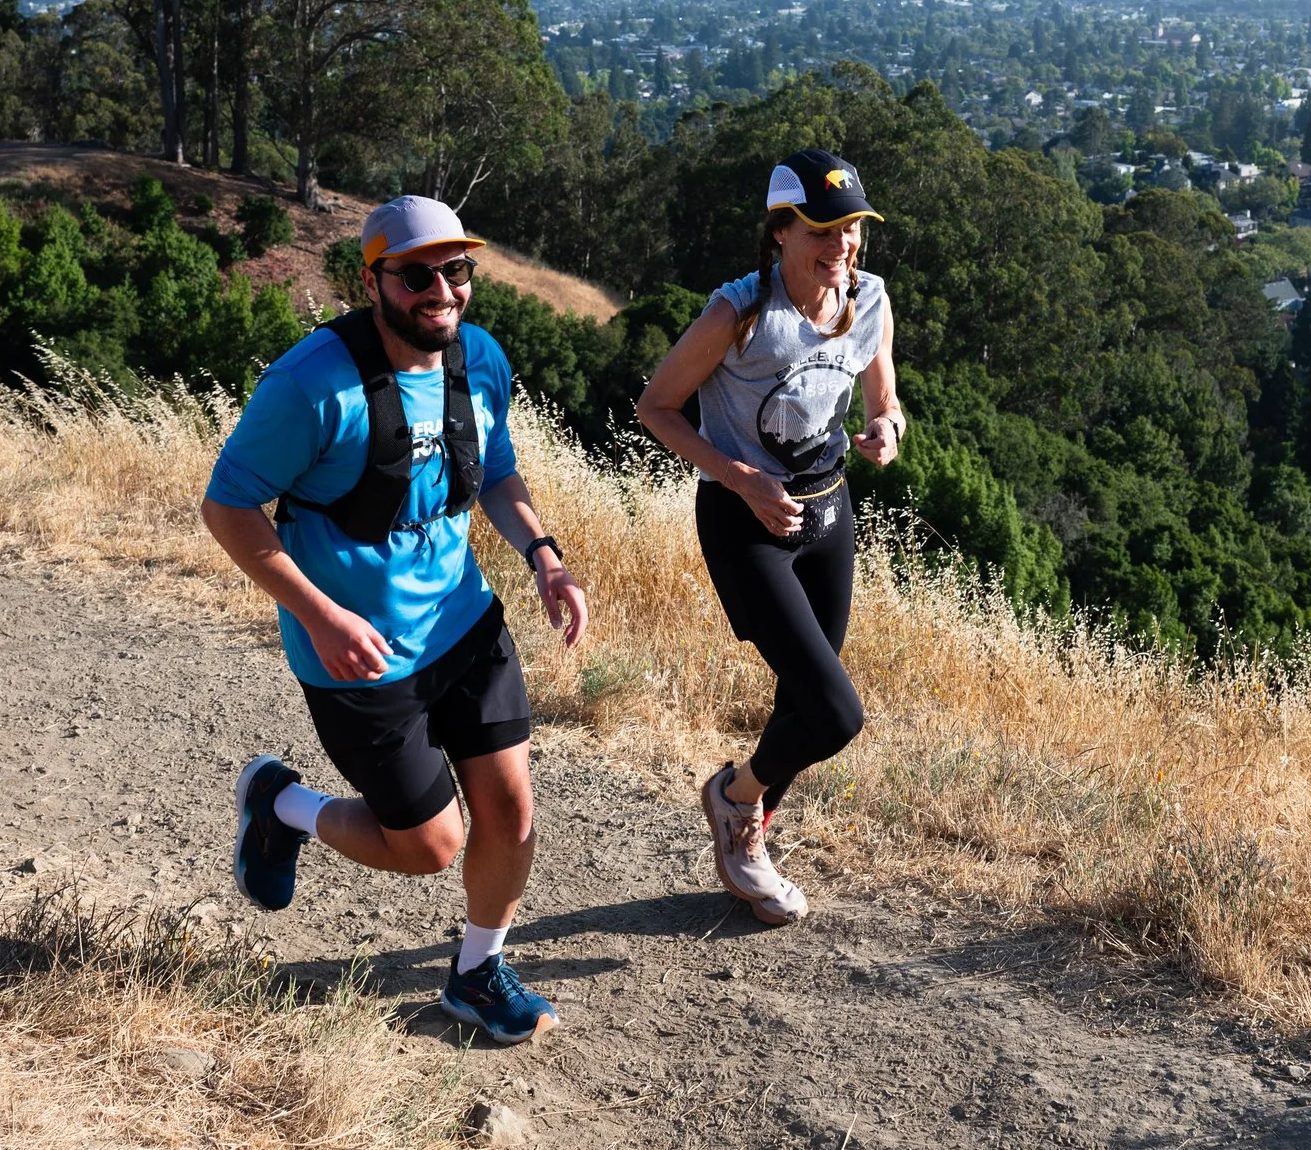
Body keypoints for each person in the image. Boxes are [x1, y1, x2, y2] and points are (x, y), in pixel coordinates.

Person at [201, 195, 589, 1045]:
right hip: (357, 651)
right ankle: (281, 805)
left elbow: (495, 470)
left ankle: (477, 973)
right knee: (428, 846)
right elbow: (227, 506)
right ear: (371, 280)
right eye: (416, 275)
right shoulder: (309, 386)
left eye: (457, 270)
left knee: (512, 809)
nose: (441, 291)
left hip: (462, 620)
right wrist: (321, 615)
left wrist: (544, 554)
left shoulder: (479, 360)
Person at [635, 149, 902, 925]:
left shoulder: (870, 298)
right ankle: (735, 800)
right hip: (744, 521)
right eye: (822, 229)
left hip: (829, 515)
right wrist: (742, 478)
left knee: (802, 698)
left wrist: (886, 429)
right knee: (835, 712)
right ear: (780, 231)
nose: (842, 244)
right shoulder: (740, 312)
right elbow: (656, 407)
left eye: (851, 227)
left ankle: (747, 835)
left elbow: (884, 396)